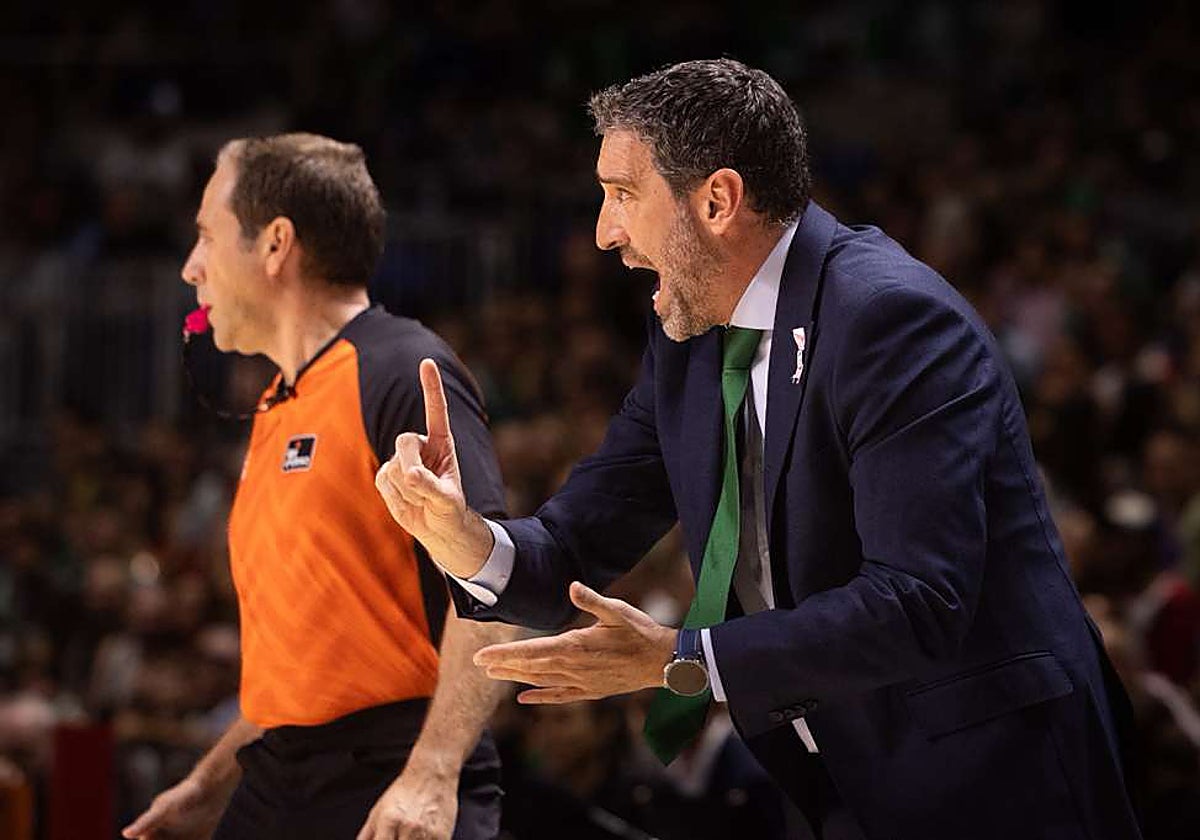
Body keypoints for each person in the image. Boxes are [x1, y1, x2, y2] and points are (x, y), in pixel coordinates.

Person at [375, 60, 1144, 839]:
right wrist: (465, 539)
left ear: (717, 200)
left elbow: (918, 601)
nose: (606, 231)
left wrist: (681, 658)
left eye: (622, 194)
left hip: (992, 771)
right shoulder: (692, 331)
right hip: (833, 776)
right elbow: (578, 539)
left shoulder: (891, 318)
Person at [124, 133, 516, 840]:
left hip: (390, 772)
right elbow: (311, 654)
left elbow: (500, 587)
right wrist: (213, 780)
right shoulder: (279, 399)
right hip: (277, 775)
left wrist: (431, 772)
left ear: (275, 244)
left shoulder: (401, 368)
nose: (190, 270)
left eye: (207, 237)